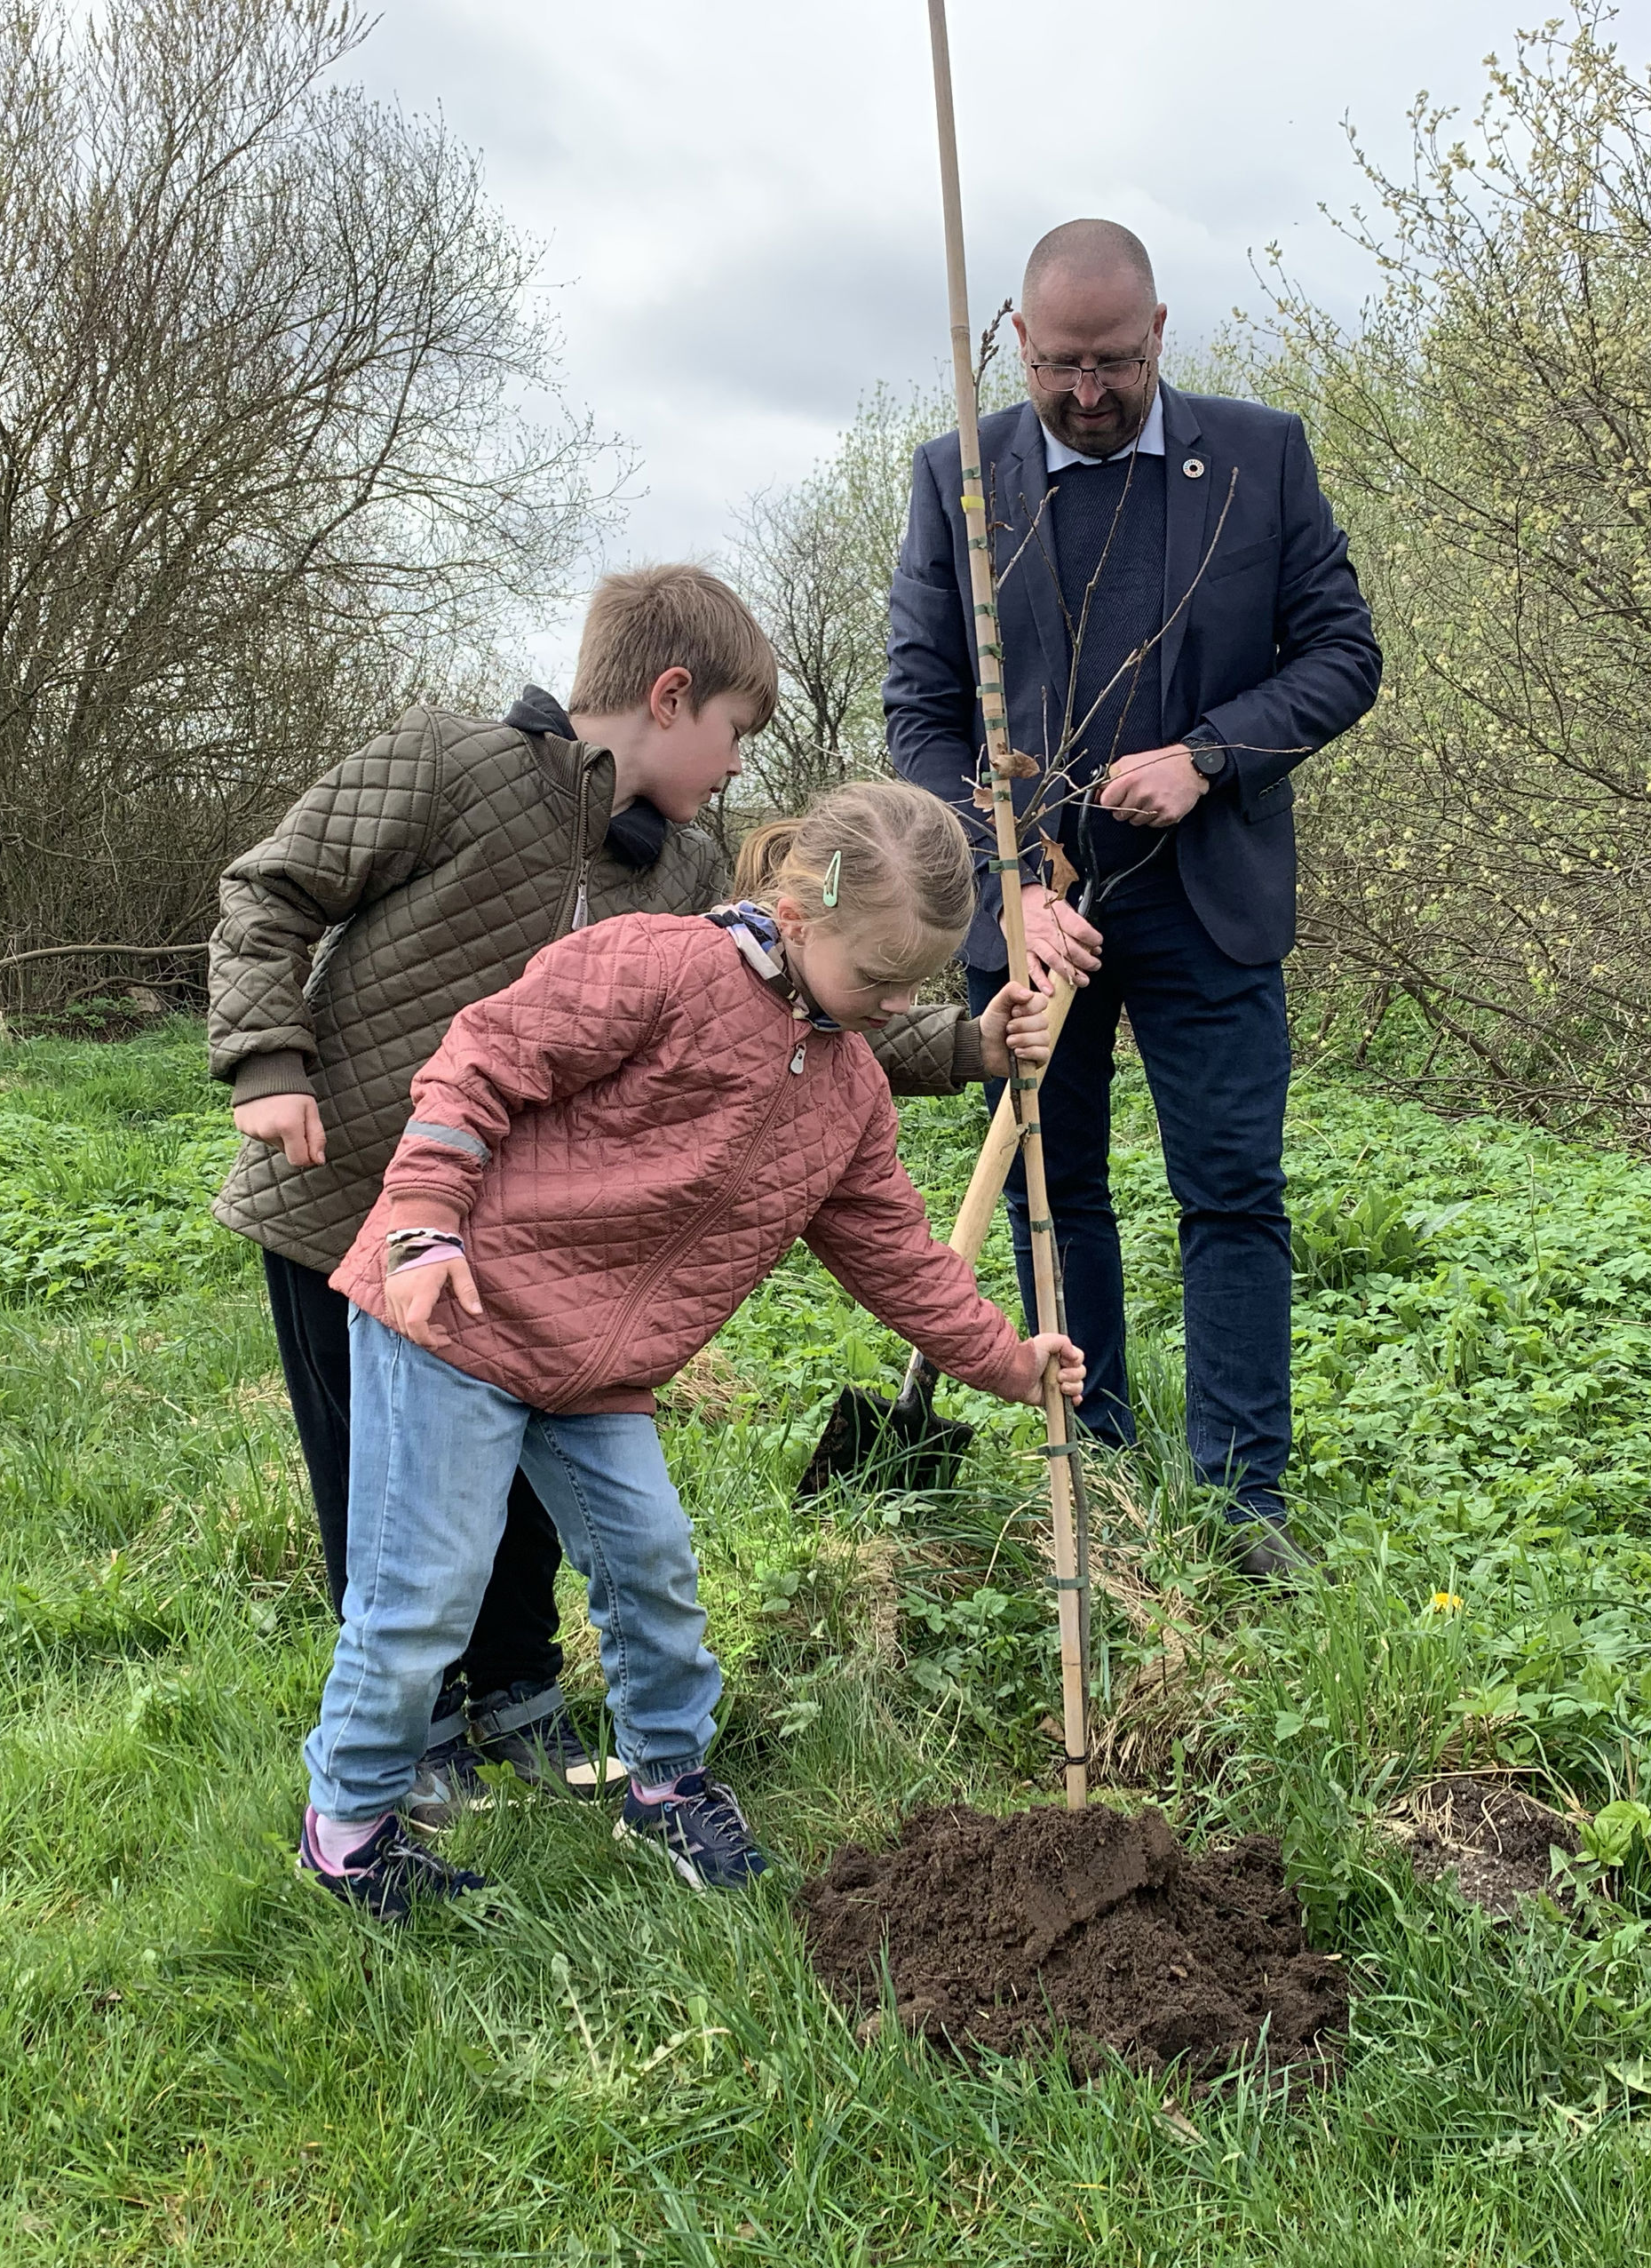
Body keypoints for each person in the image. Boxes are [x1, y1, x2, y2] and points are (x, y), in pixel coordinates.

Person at [209, 566, 1049, 1819]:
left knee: (525, 1475)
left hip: (535, 1238)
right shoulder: (448, 766)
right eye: (736, 731)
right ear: (670, 696)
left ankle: (518, 1693)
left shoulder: (684, 866)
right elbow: (269, 888)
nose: (738, 763)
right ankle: (413, 1734)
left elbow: (791, 1015)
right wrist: (269, 1061)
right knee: (386, 1490)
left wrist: (966, 1045)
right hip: (348, 1180)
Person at [299, 779, 1078, 1917]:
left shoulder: (850, 1094)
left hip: (598, 1371)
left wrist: (1008, 1362)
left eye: (919, 983)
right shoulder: (660, 966)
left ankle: (665, 1784)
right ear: (797, 916)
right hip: (458, 1313)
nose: (898, 1004)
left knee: (652, 1566)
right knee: (424, 1592)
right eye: (879, 978)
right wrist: (422, 1216)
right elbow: (483, 1054)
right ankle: (349, 1828)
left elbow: (900, 1261)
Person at [885, 219, 1382, 1568]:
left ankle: (1241, 1502)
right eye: (1058, 364)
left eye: (1112, 360)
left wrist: (1210, 756)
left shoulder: (1261, 456)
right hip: (1031, 910)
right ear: (1016, 340)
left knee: (1232, 1192)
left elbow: (1342, 654)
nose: (1088, 390)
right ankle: (1092, 1463)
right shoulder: (957, 478)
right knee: (1059, 1190)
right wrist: (1004, 883)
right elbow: (920, 711)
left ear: (1158, 331)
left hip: (1207, 899)